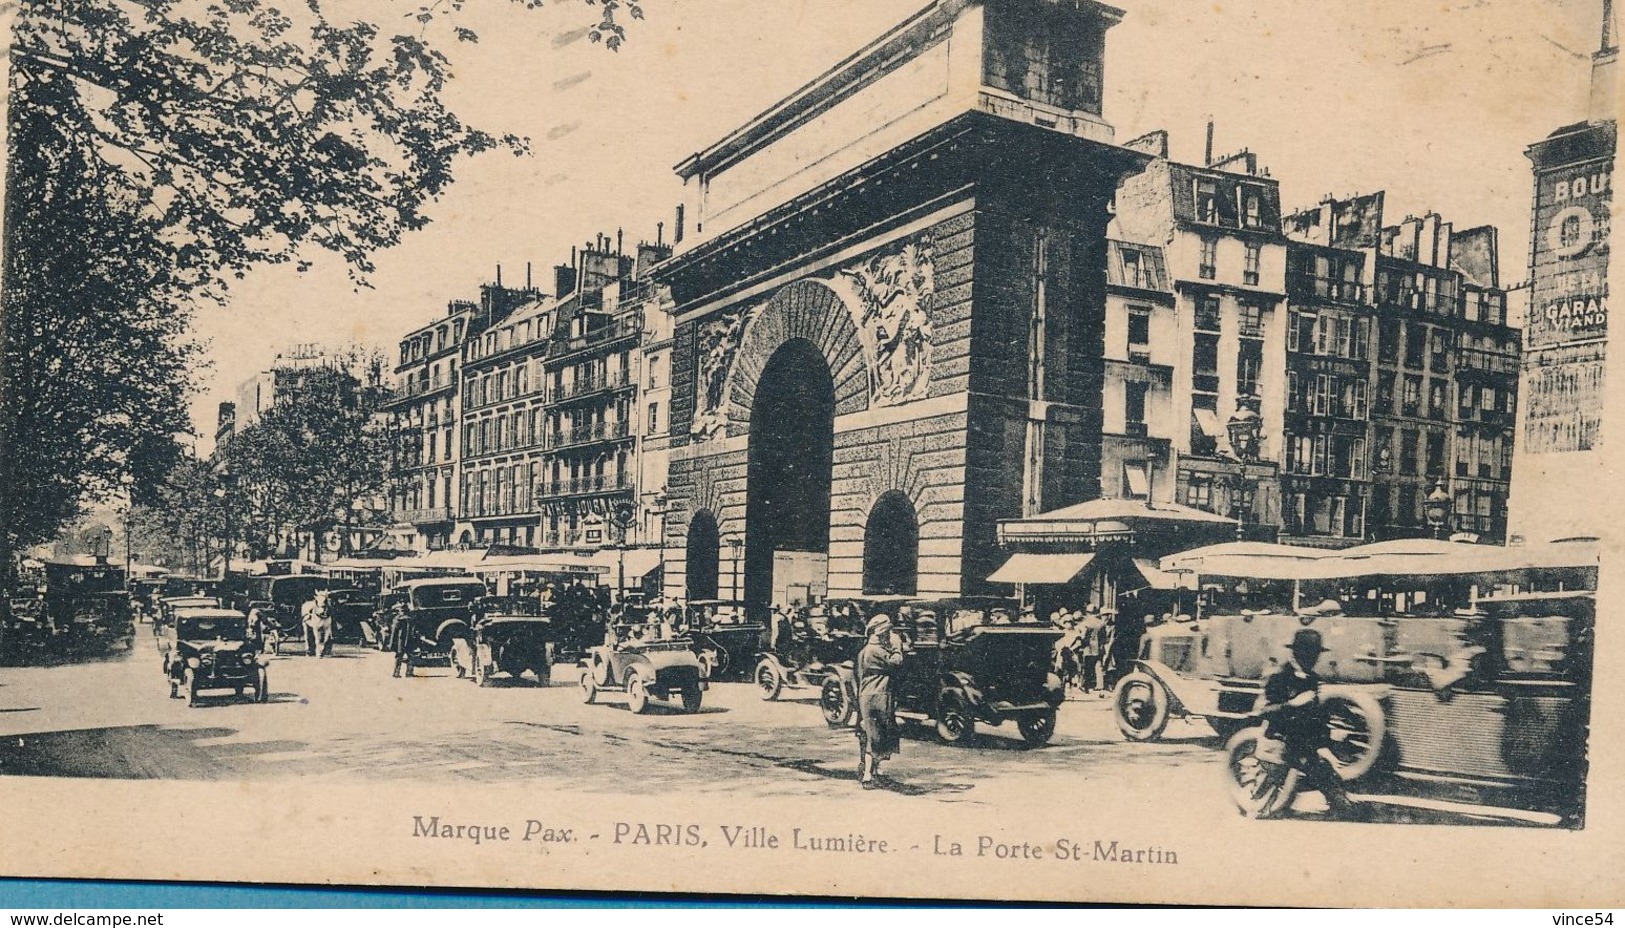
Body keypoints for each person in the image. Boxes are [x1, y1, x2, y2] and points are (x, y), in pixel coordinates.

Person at [1257, 628, 1359, 818]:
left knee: (1343, 804)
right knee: (1266, 809)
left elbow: (1317, 719)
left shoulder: (1314, 680)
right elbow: (1265, 712)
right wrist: (1292, 704)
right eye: (1307, 652)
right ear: (1296, 652)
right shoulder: (1279, 677)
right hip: (1279, 743)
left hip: (1305, 746)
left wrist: (1325, 745)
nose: (1312, 658)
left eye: (1314, 653)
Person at [856, 613, 904, 789]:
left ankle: (871, 770)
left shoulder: (864, 651)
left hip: (866, 696)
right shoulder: (879, 651)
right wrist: (897, 647)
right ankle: (868, 774)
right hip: (880, 696)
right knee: (878, 737)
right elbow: (896, 662)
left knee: (870, 734)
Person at [1078, 606, 1106, 696]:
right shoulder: (1101, 623)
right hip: (1098, 647)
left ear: (1087, 612)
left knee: (1087, 668)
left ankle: (1085, 686)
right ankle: (1100, 686)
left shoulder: (1085, 623)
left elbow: (1083, 636)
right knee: (1098, 667)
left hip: (1088, 647)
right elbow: (1104, 637)